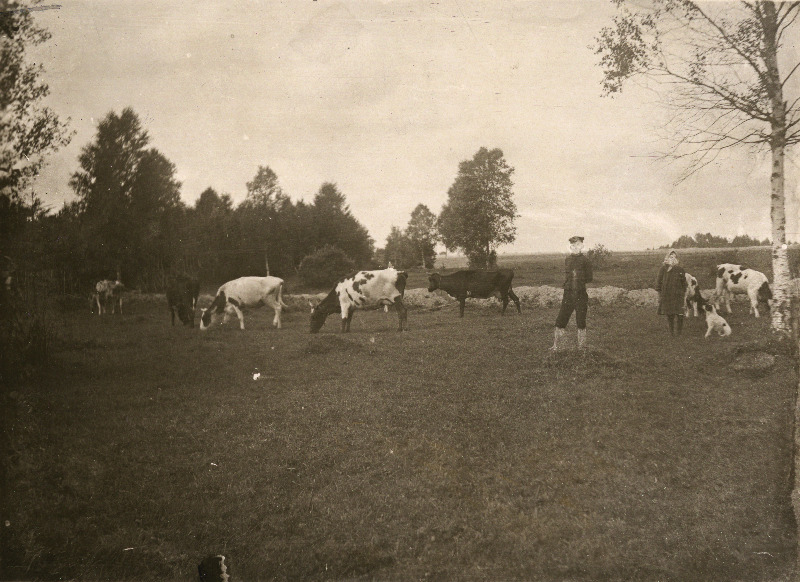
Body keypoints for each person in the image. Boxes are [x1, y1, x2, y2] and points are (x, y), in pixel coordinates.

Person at [551, 236, 593, 350]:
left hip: (580, 293)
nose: (575, 247)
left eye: (578, 245)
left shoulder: (586, 261)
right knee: (561, 319)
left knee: (581, 320)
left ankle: (582, 346)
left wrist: (578, 281)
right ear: (570, 247)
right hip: (568, 293)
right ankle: (556, 346)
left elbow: (589, 278)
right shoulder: (567, 259)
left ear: (582, 246)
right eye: (573, 245)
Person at [655, 250, 688, 336]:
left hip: (678, 295)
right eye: (670, 256)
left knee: (680, 314)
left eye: (674, 257)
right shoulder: (663, 269)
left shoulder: (680, 269)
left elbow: (684, 283)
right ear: (667, 258)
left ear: (677, 259)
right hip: (667, 295)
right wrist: (660, 295)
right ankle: (672, 333)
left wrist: (684, 293)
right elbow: (659, 283)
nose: (672, 258)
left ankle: (679, 333)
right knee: (670, 315)